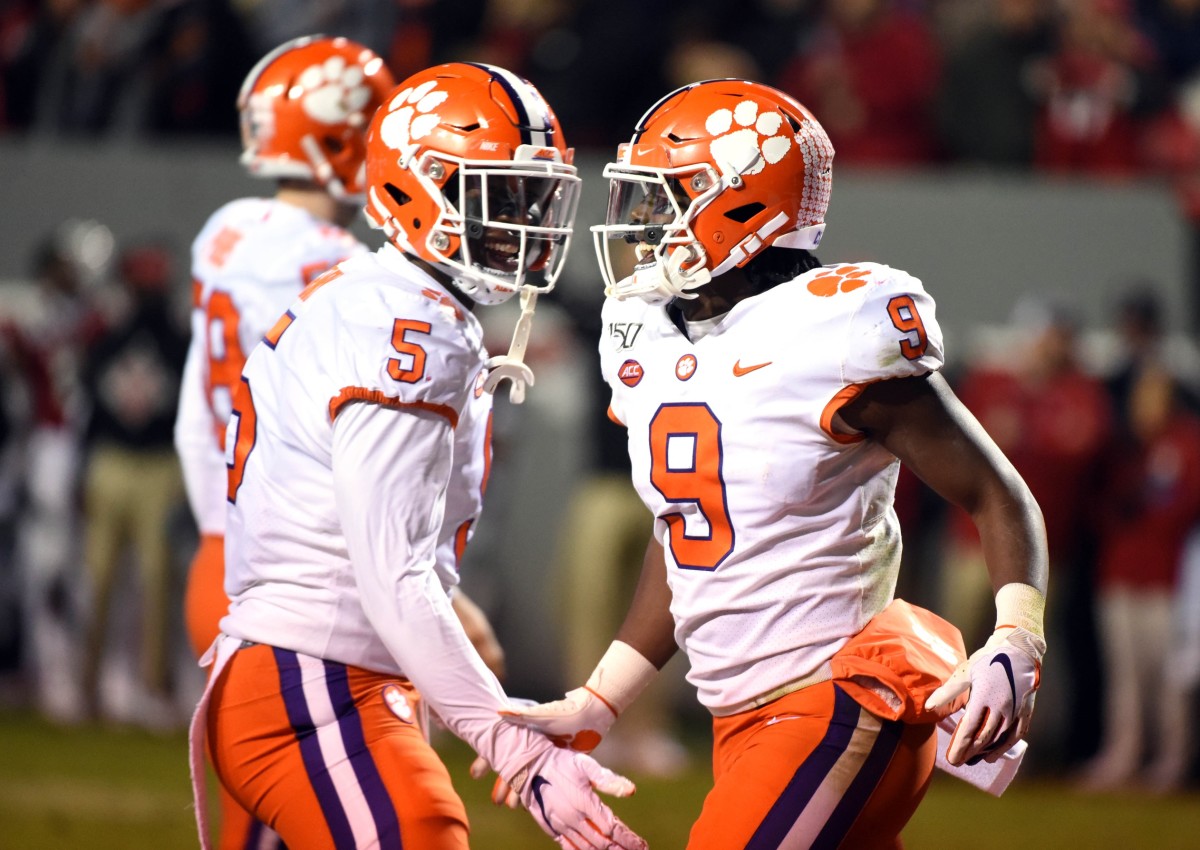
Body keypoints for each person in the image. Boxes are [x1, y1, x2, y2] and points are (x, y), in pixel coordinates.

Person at [503, 79, 1049, 848]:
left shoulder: (836, 326)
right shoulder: (647, 330)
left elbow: (996, 494)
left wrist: (1017, 635)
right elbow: (689, 533)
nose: (648, 224)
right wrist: (604, 697)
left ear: (743, 204)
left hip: (840, 700)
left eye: (670, 198)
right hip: (745, 718)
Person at [188, 60, 647, 850]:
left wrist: (447, 606)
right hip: (316, 682)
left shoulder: (391, 299)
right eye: (497, 197)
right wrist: (519, 752)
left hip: (312, 670)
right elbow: (390, 569)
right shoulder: (405, 324)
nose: (524, 221)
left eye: (529, 195)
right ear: (413, 188)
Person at [174, 34, 396, 850]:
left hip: (216, 547)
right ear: (342, 137)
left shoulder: (224, 232)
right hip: (289, 572)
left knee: (256, 815)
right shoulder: (344, 267)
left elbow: (194, 414)